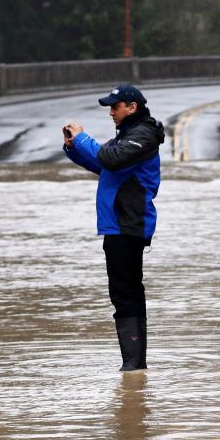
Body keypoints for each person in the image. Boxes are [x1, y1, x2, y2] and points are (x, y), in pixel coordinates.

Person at [62, 84, 165, 372]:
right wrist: (74, 147)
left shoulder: (143, 135)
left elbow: (110, 158)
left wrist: (83, 136)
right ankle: (134, 364)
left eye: (114, 107)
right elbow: (102, 163)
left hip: (128, 223)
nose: (111, 113)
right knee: (125, 292)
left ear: (132, 107)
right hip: (119, 225)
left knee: (125, 293)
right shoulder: (130, 136)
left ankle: (133, 366)